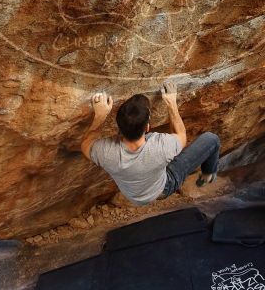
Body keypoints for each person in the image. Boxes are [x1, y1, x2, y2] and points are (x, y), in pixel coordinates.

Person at [81, 80, 220, 205]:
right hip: (163, 188)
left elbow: (86, 144)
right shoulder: (161, 146)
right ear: (147, 127)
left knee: (167, 154)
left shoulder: (106, 153)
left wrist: (100, 115)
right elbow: (181, 135)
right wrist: (172, 103)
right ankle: (208, 175)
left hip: (133, 195)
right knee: (211, 139)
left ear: (119, 128)